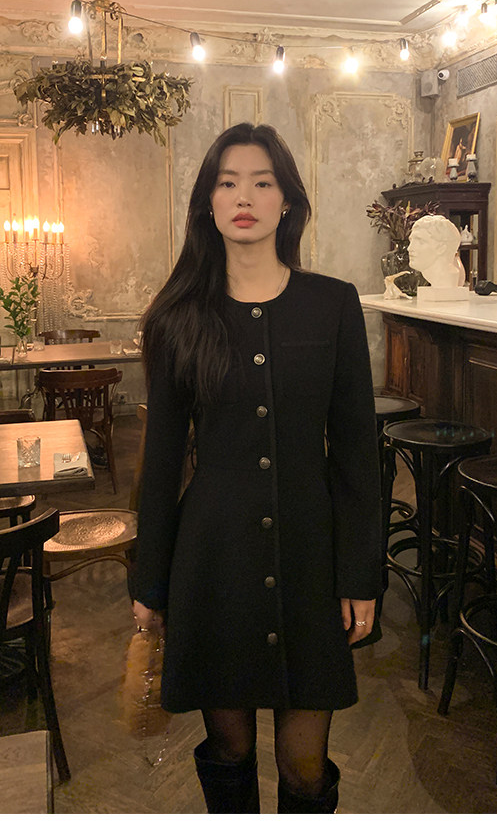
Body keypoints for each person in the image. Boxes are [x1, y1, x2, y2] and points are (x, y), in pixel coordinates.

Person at [132, 122, 382, 814]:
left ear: (286, 201)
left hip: (311, 555)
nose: (244, 197)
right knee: (230, 750)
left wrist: (361, 573)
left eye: (262, 182)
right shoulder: (177, 318)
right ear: (208, 203)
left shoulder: (332, 304)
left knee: (304, 767)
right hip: (214, 560)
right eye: (228, 182)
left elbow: (357, 453)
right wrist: (149, 583)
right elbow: (160, 462)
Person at [408, 214, 466, 288]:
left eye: (420, 242)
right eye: (411, 241)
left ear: (441, 248)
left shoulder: (445, 281)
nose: (409, 248)